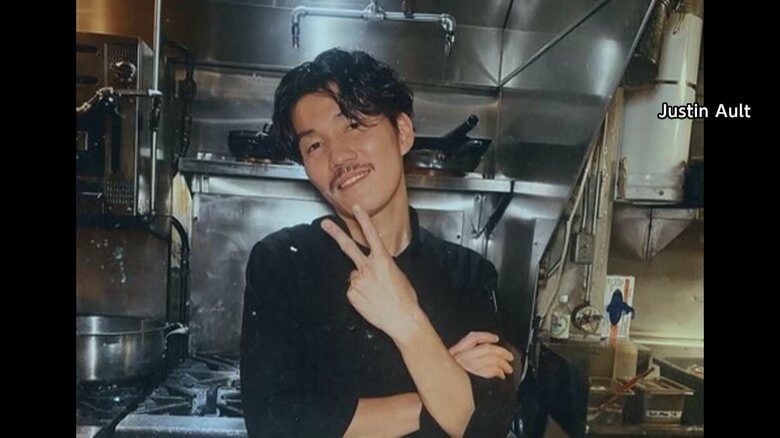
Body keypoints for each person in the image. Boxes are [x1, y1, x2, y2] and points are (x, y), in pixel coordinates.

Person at [240, 48, 519, 437]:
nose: (338, 156)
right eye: (314, 146)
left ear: (402, 132)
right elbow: (273, 425)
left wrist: (406, 320)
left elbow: (487, 427)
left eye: (353, 125)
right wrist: (442, 384)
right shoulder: (283, 262)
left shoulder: (469, 275)